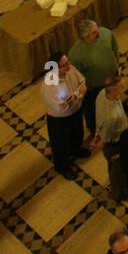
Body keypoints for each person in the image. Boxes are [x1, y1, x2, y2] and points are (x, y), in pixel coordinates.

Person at [68, 18, 120, 136]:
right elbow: (75, 76)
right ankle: (95, 129)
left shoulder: (105, 33)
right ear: (84, 37)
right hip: (95, 88)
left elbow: (115, 47)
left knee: (113, 99)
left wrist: (115, 63)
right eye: (94, 32)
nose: (99, 33)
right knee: (93, 110)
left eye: (97, 29)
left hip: (112, 78)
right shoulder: (76, 54)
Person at [40, 50, 87, 180]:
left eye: (67, 62)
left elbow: (82, 81)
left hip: (75, 111)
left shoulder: (70, 69)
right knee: (61, 144)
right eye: (64, 64)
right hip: (60, 119)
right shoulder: (49, 85)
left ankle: (75, 150)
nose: (69, 66)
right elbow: (62, 107)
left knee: (77, 133)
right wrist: (78, 94)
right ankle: (62, 166)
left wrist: (76, 95)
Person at [93, 75, 128, 203]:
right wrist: (99, 141)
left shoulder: (102, 94)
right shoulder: (111, 117)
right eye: (121, 87)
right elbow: (105, 139)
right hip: (115, 144)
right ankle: (118, 194)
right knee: (117, 170)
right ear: (113, 90)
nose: (124, 89)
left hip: (112, 137)